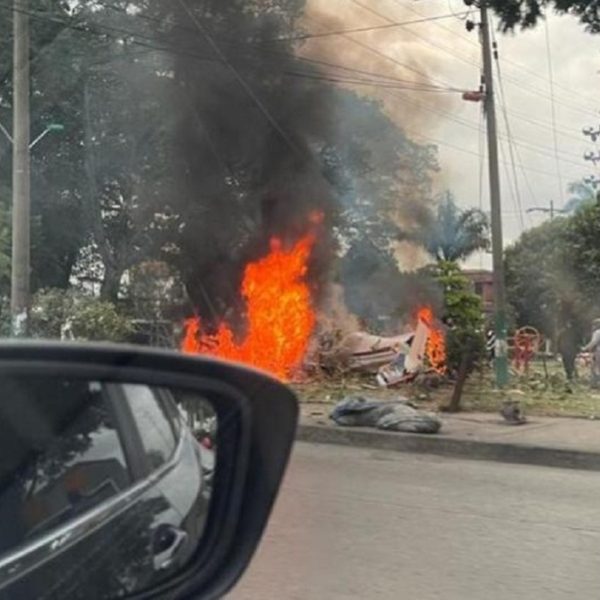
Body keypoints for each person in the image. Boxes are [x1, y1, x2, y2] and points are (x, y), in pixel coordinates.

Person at [582, 318, 600, 387]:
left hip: (599, 352)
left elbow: (593, 342)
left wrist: (585, 348)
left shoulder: (597, 332)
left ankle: (594, 384)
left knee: (595, 367)